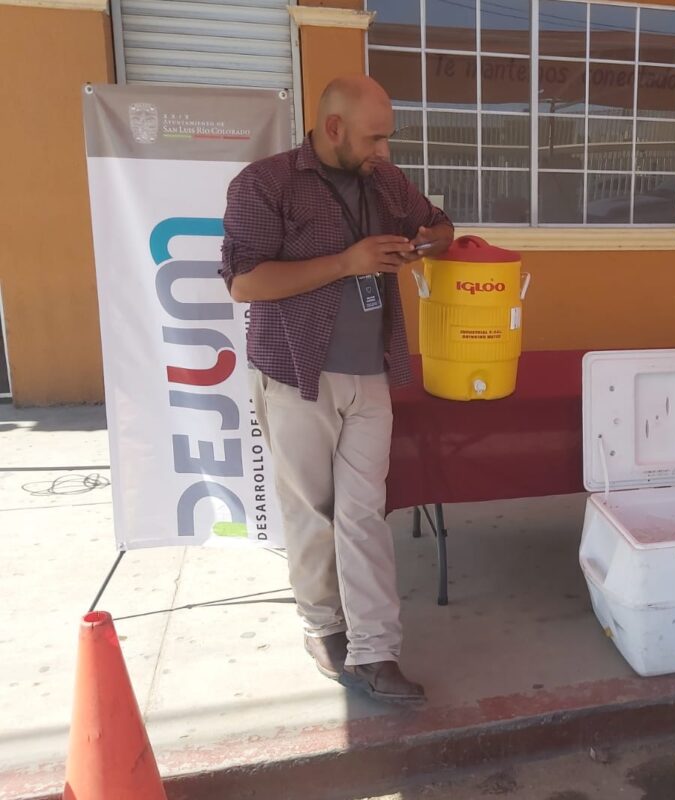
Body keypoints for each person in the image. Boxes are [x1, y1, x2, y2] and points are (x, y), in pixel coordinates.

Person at [220, 75, 454, 704]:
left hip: (372, 372)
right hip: (296, 372)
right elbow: (245, 283)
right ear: (332, 128)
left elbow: (439, 224)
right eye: (375, 137)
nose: (384, 150)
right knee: (313, 512)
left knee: (362, 514)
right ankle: (323, 626)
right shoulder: (263, 184)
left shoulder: (384, 182)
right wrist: (348, 262)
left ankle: (377, 651)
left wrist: (428, 242)